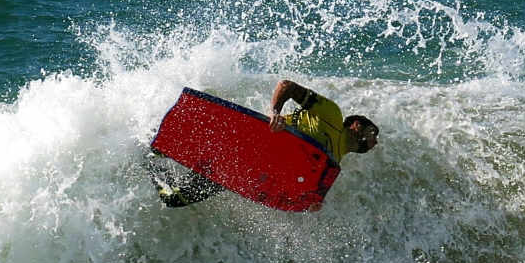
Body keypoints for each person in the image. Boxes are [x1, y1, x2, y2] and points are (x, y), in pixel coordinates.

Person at [149, 80, 379, 209]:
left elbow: (294, 183)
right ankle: (149, 141)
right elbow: (287, 86)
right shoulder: (332, 114)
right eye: (373, 133)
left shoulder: (333, 162)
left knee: (174, 199)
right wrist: (275, 113)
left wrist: (310, 200)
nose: (374, 142)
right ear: (357, 125)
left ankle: (147, 163)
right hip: (243, 143)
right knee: (164, 146)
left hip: (241, 171)